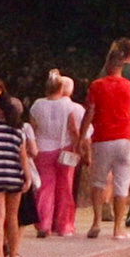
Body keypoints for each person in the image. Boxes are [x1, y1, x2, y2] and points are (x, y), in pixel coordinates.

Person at [83, 41, 130, 237]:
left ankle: (96, 222)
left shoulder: (96, 86)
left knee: (98, 182)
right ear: (121, 66)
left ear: (108, 66)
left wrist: (82, 137)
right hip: (125, 138)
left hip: (102, 139)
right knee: (122, 184)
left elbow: (89, 112)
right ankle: (118, 228)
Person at [26, 72, 83, 246]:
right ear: (61, 88)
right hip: (64, 148)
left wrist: (31, 147)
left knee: (46, 187)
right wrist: (78, 147)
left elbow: (32, 127)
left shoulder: (37, 105)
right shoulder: (68, 106)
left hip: (43, 150)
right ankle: (64, 225)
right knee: (65, 187)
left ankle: (44, 224)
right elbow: (73, 129)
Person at [0, 95, 34, 257]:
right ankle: (14, 255)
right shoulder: (19, 131)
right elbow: (23, 158)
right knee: (12, 217)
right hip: (14, 176)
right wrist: (28, 178)